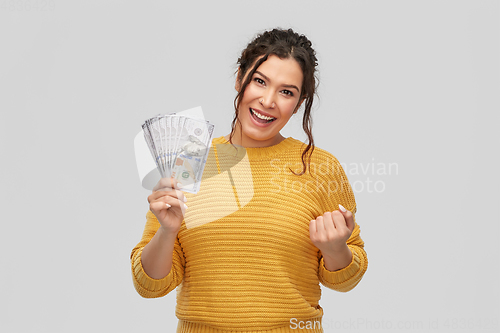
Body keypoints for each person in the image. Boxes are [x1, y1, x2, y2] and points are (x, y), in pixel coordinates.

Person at [131, 28, 368, 333]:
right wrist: (167, 231)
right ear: (239, 78)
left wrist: (337, 248)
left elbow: (348, 277)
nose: (268, 100)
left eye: (286, 92)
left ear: (298, 103)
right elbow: (150, 285)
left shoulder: (319, 166)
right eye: (260, 81)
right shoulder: (191, 159)